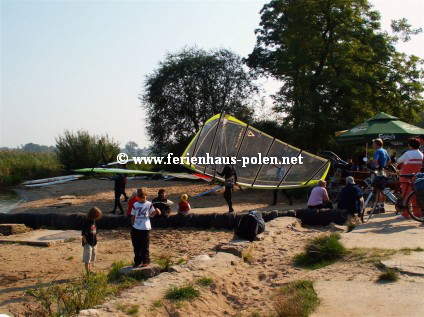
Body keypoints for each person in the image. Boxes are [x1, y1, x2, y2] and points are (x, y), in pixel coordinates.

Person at [131, 188, 160, 267]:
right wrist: (157, 210)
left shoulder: (135, 204)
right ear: (146, 195)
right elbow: (152, 215)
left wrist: (133, 224)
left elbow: (133, 216)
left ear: (137, 196)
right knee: (144, 245)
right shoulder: (149, 204)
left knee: (137, 246)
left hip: (137, 227)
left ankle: (138, 261)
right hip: (144, 227)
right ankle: (145, 261)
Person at [397, 137, 423, 219]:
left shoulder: (408, 153)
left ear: (410, 145)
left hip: (405, 176)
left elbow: (398, 161)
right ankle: (417, 213)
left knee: (406, 194)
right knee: (415, 195)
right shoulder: (421, 154)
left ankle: (405, 213)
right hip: (416, 177)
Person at [371, 138, 390, 213]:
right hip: (383, 171)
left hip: (377, 171)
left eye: (373, 144)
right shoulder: (384, 150)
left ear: (377, 144)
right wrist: (384, 167)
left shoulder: (378, 151)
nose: (372, 145)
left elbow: (375, 160)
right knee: (383, 189)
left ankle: (377, 207)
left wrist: (377, 167)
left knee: (377, 189)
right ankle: (382, 206)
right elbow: (389, 161)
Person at [81, 207, 102, 272]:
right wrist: (86, 242)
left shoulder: (93, 221)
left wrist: (96, 240)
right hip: (88, 243)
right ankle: (88, 271)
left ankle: (90, 270)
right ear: (94, 215)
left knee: (92, 256)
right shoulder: (87, 222)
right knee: (87, 257)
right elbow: (83, 233)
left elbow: (95, 232)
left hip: (93, 242)